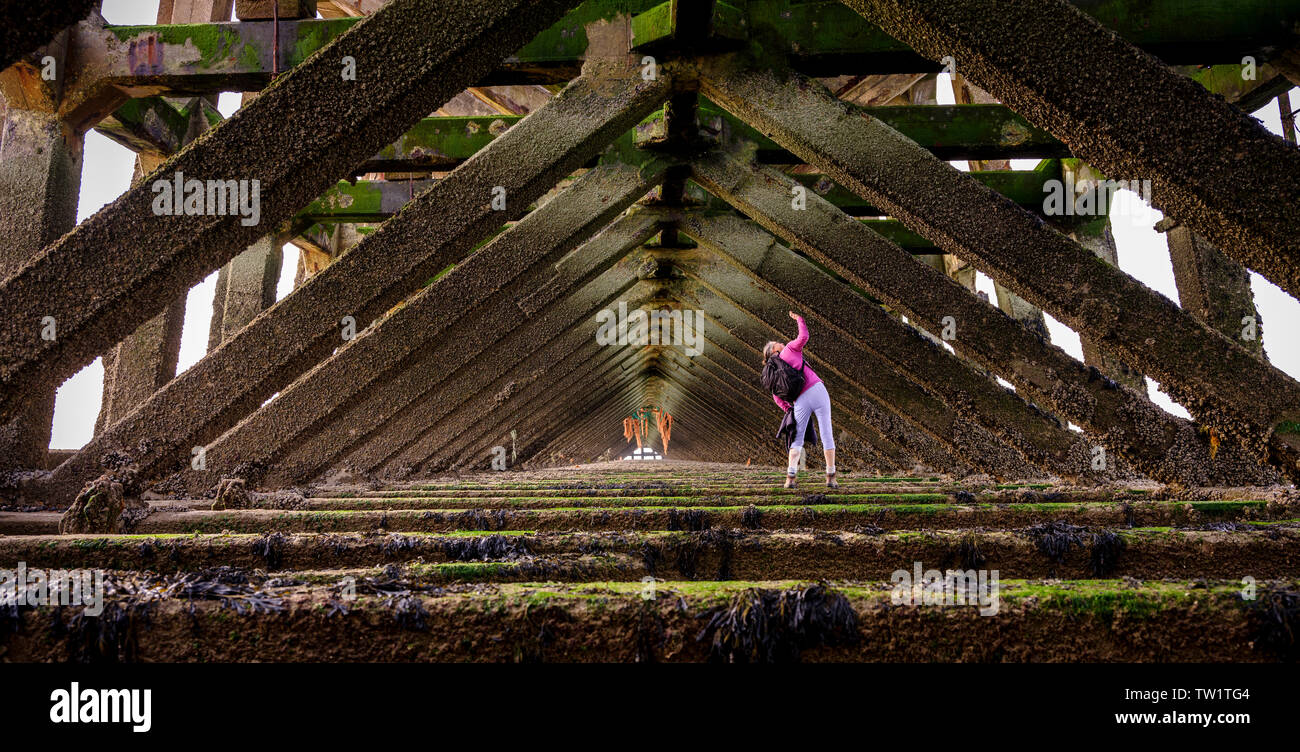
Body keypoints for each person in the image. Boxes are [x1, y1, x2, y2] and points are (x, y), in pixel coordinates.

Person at [763, 311, 837, 489]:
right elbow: (804, 336)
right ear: (775, 350)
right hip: (817, 390)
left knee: (796, 438)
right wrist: (799, 319)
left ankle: (790, 478)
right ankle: (830, 477)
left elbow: (777, 397)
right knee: (827, 433)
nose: (780, 342)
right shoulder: (789, 349)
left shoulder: (771, 373)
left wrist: (789, 408)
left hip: (800, 401)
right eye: (777, 343)